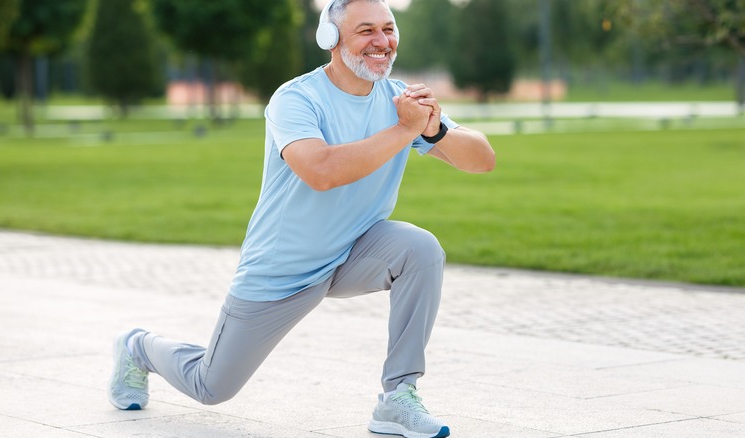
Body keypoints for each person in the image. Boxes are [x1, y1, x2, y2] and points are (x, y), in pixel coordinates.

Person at [108, 0, 495, 437]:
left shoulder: (400, 101)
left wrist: (435, 127)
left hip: (354, 252)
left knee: (420, 249)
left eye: (388, 29)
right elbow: (321, 171)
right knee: (211, 386)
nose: (382, 42)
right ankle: (137, 346)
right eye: (366, 30)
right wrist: (406, 130)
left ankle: (398, 397)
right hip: (283, 269)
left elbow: (482, 160)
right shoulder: (296, 98)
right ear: (330, 39)